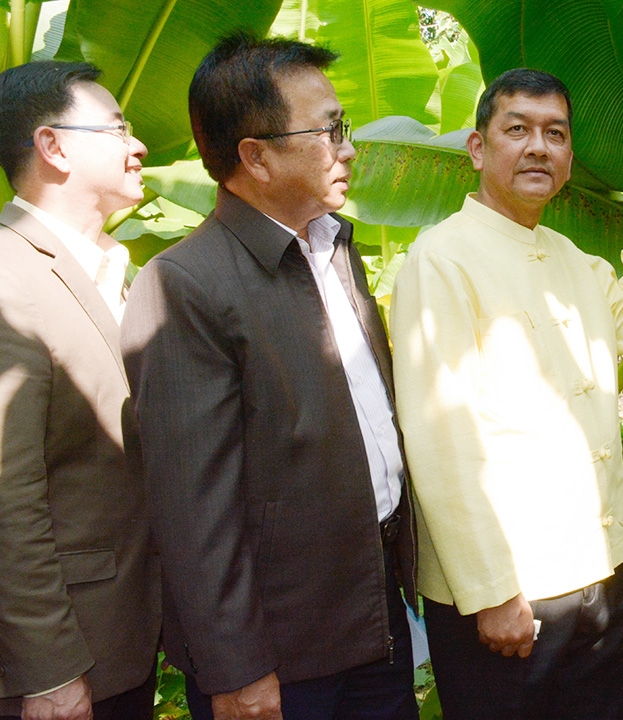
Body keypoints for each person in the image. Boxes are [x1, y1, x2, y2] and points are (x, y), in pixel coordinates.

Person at [119, 34, 418, 720]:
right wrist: (236, 671)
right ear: (255, 155)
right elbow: (191, 507)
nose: (347, 147)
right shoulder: (186, 285)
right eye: (330, 130)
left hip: (374, 618)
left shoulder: (336, 249)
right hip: (280, 655)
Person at [390, 68, 623, 718]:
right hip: (511, 592)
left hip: (597, 575)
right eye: (518, 129)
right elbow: (441, 439)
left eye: (555, 134)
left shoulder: (567, 256)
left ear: (569, 156)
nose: (538, 147)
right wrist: (492, 590)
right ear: (478, 148)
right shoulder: (441, 260)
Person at [0, 59, 161, 720]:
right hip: (66, 663)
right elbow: (9, 497)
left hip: (127, 636)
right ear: (54, 146)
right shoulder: (10, 278)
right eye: (118, 129)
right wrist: (49, 671)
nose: (139, 146)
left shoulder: (119, 274)